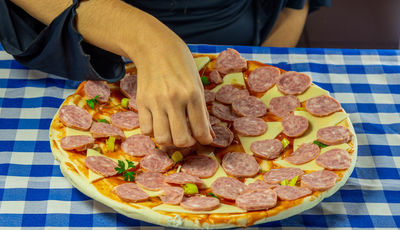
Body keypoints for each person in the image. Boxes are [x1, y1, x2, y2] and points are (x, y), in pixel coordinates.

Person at [0, 0, 330, 147]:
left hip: (239, 52)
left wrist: (259, 83)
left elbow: (292, 7)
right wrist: (150, 39)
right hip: (85, 58)